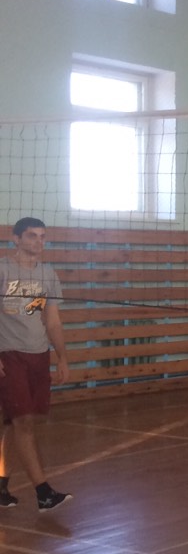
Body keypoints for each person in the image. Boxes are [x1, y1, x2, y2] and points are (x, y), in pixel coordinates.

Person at [0, 217, 72, 512]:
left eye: (43, 236)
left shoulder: (48, 274)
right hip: (10, 354)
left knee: (14, 422)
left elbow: (52, 321)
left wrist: (62, 357)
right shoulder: (3, 270)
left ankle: (1, 486)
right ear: (16, 239)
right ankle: (44, 493)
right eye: (32, 236)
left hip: (38, 355)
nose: (39, 242)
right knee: (24, 422)